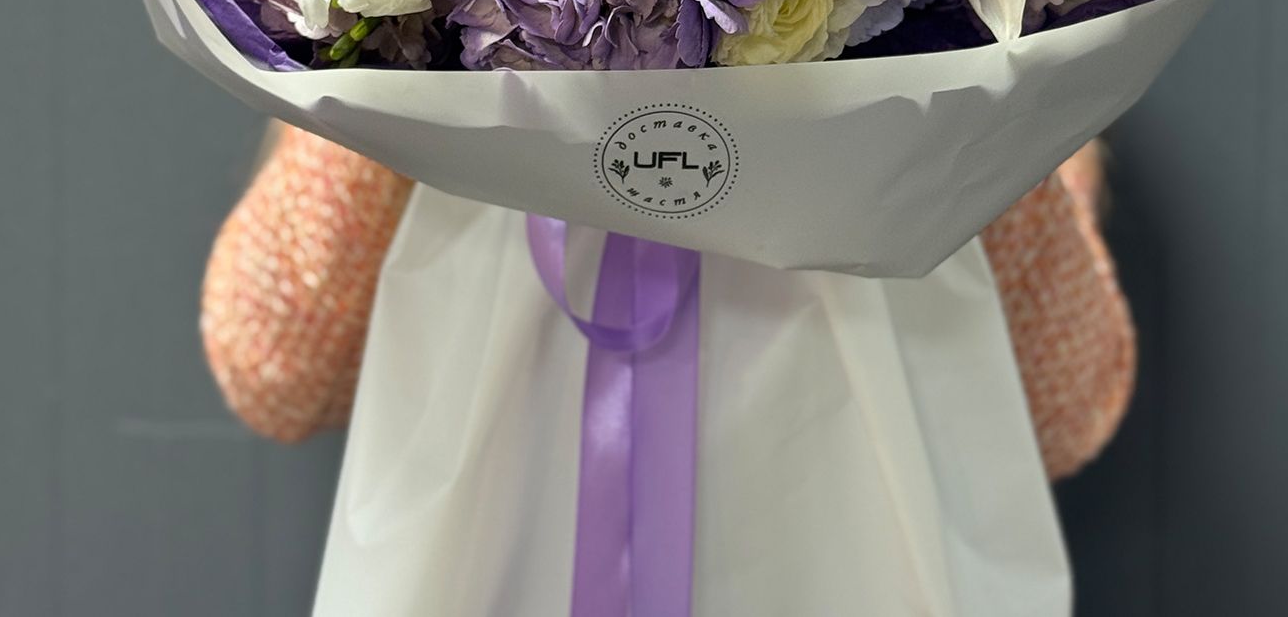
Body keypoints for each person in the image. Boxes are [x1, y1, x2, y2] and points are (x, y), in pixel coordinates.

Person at [201, 125, 1134, 481]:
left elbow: (1059, 416)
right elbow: (277, 370)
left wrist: (981, 91)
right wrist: (397, 45)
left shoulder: (977, 64)